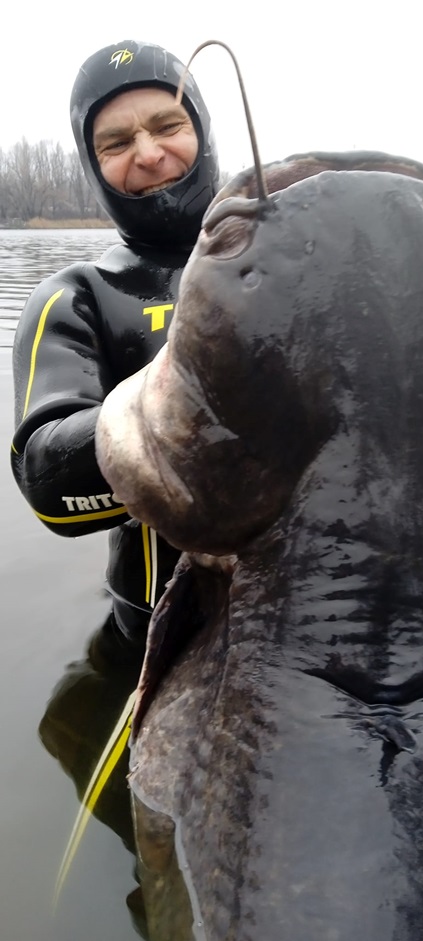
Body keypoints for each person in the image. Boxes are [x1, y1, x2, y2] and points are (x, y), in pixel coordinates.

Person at [11, 39, 220, 642]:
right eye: (117, 143)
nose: (150, 154)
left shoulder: (294, 256)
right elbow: (48, 486)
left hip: (326, 608)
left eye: (168, 125)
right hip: (158, 632)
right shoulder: (73, 296)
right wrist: (207, 406)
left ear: (202, 133)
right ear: (93, 163)